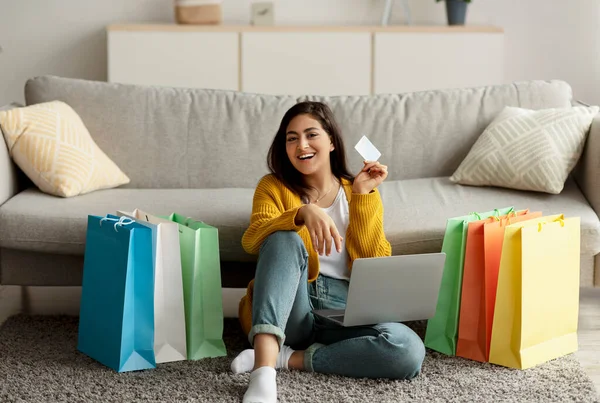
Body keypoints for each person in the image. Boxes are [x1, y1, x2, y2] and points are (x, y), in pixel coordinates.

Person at [233, 101, 425, 403]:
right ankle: (264, 371)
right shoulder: (272, 186)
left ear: (332, 141)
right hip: (294, 306)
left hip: (344, 307)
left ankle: (288, 358)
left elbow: (376, 264)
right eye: (292, 138)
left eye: (311, 135)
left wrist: (363, 198)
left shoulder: (357, 191)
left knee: (407, 349)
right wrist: (301, 213)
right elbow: (253, 238)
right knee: (283, 238)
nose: (302, 145)